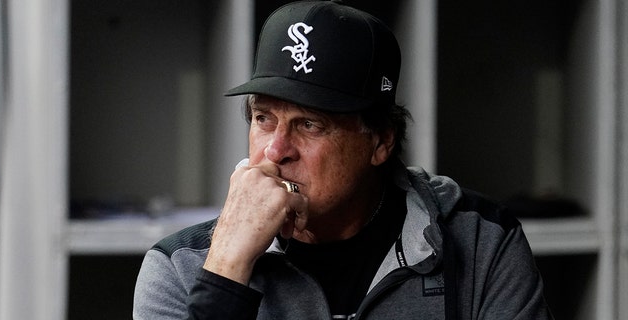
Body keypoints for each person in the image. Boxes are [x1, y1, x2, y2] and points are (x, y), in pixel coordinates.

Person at [133, 1, 553, 319]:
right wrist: (226, 270)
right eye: (263, 118)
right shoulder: (180, 267)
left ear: (380, 142)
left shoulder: (481, 241)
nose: (276, 150)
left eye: (310, 125)